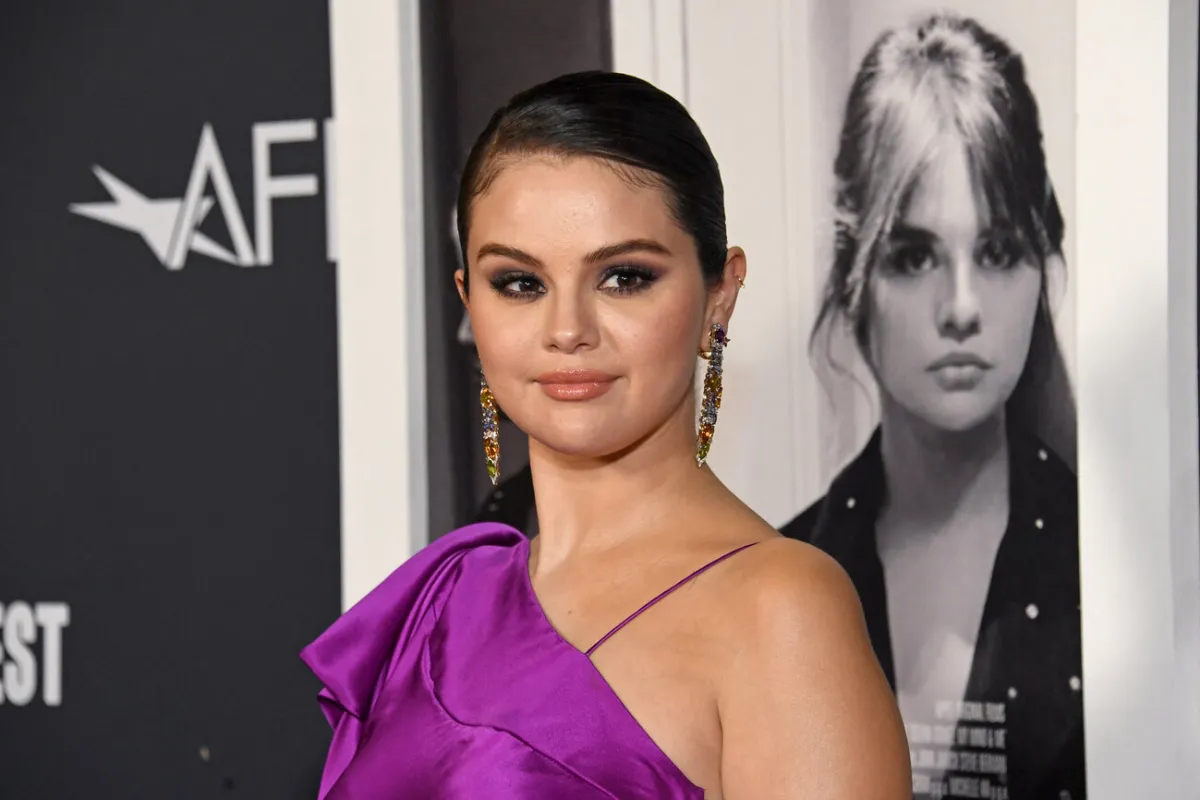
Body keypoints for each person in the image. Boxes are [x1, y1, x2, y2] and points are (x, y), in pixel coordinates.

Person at [301, 71, 910, 799]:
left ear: (721, 293)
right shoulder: (443, 596)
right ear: (469, 301)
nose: (567, 331)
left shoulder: (779, 611)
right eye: (520, 283)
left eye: (623, 277)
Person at [781, 13, 1084, 800]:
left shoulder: (1114, 570)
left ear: (1041, 271)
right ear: (855, 280)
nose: (961, 307)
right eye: (914, 256)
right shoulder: (782, 576)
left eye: (997, 251)